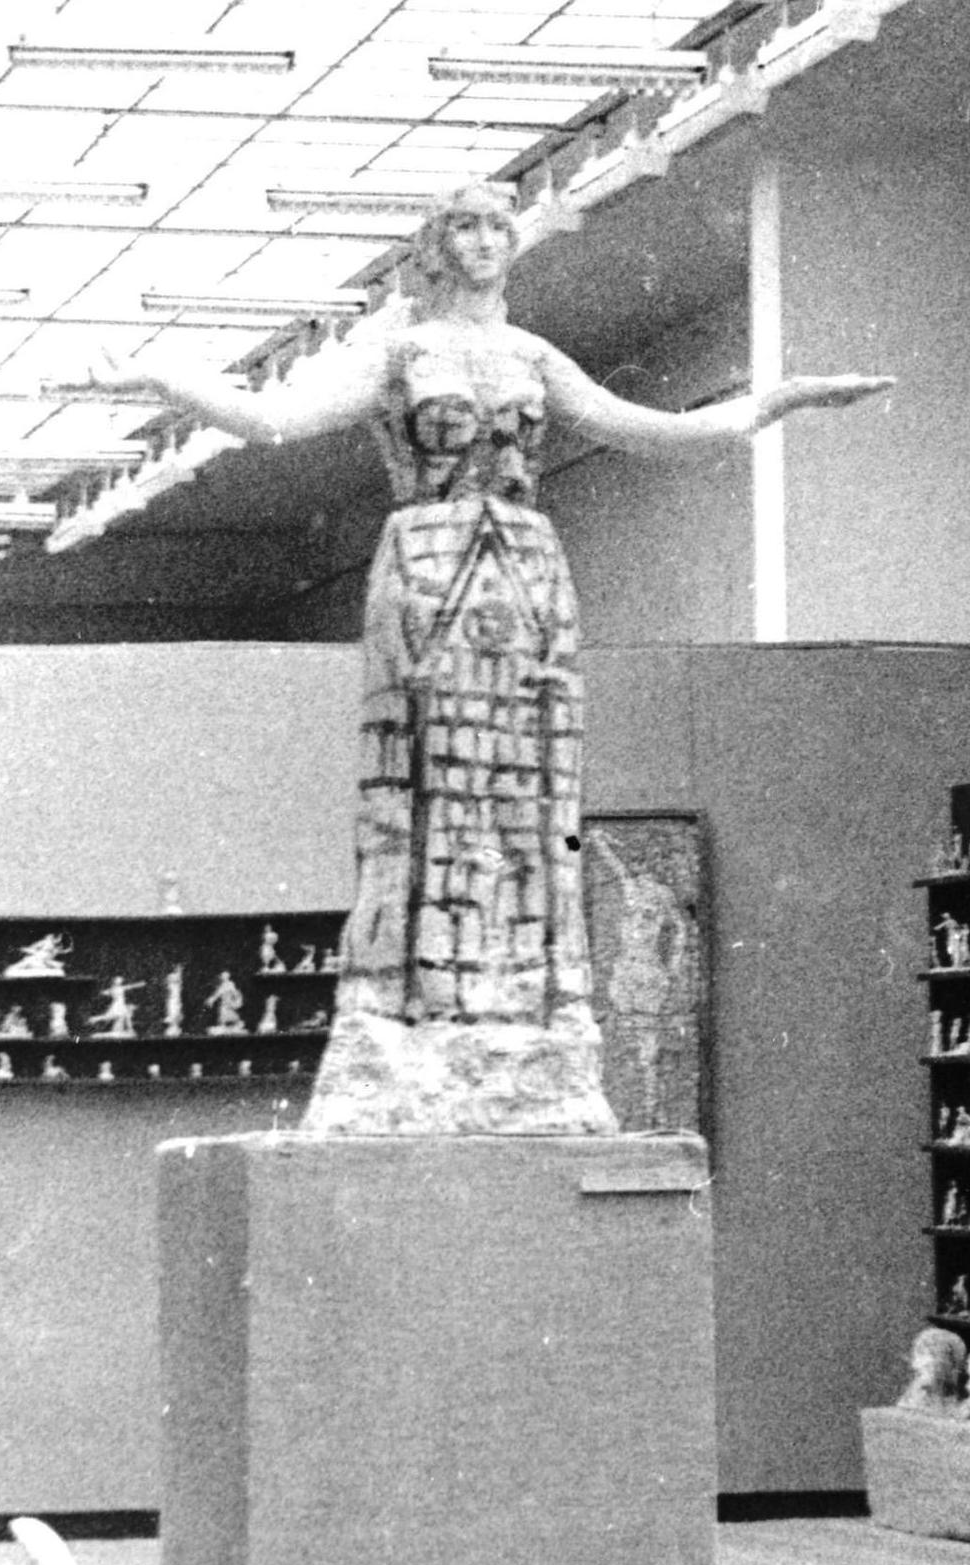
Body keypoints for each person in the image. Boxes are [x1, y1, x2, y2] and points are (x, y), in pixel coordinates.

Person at [89, 183, 890, 1132]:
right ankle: (416, 1003)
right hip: (428, 566)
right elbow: (275, 420)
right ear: (435, 245)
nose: (484, 242)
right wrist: (163, 376)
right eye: (464, 226)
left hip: (528, 569)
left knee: (533, 791)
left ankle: (531, 1002)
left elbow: (656, 432)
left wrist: (782, 401)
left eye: (498, 226)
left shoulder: (532, 357)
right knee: (425, 787)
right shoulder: (400, 354)